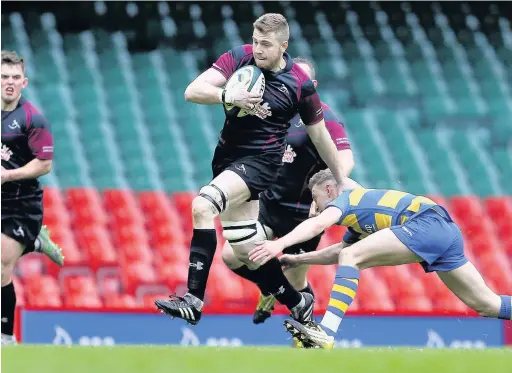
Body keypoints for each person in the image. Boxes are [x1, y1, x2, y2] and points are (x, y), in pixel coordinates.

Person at [155, 14, 347, 326]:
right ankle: (298, 302)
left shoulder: (299, 83)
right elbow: (192, 90)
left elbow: (320, 135)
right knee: (245, 249)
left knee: (203, 205)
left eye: (266, 44)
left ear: (283, 46)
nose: (258, 49)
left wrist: (341, 179)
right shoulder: (240, 58)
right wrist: (226, 95)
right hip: (226, 158)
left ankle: (193, 299)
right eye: (256, 41)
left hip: (260, 163)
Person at [250, 170, 512, 348]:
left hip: (426, 224)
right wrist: (298, 259)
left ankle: (326, 332)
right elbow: (337, 252)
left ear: (329, 188)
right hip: (444, 230)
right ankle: (325, 333)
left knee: (352, 255)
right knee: (487, 305)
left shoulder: (347, 198)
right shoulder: (359, 220)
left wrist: (279, 244)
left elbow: (319, 225)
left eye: (316, 198)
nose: (315, 206)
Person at [222, 56, 354, 325]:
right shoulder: (272, 111)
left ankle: (309, 335)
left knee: (295, 278)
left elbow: (345, 159)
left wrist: (332, 188)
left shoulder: (325, 117)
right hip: (269, 205)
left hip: (303, 214)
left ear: (313, 85)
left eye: (303, 81)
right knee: (229, 255)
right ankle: (271, 289)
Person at [1, 50, 64, 345]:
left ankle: (5, 337)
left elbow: (44, 164)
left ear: (24, 82)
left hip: (20, 204)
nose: (9, 83)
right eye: (4, 77)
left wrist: (7, 175)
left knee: (1, 264)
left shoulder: (32, 119)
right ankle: (36, 241)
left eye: (15, 77)